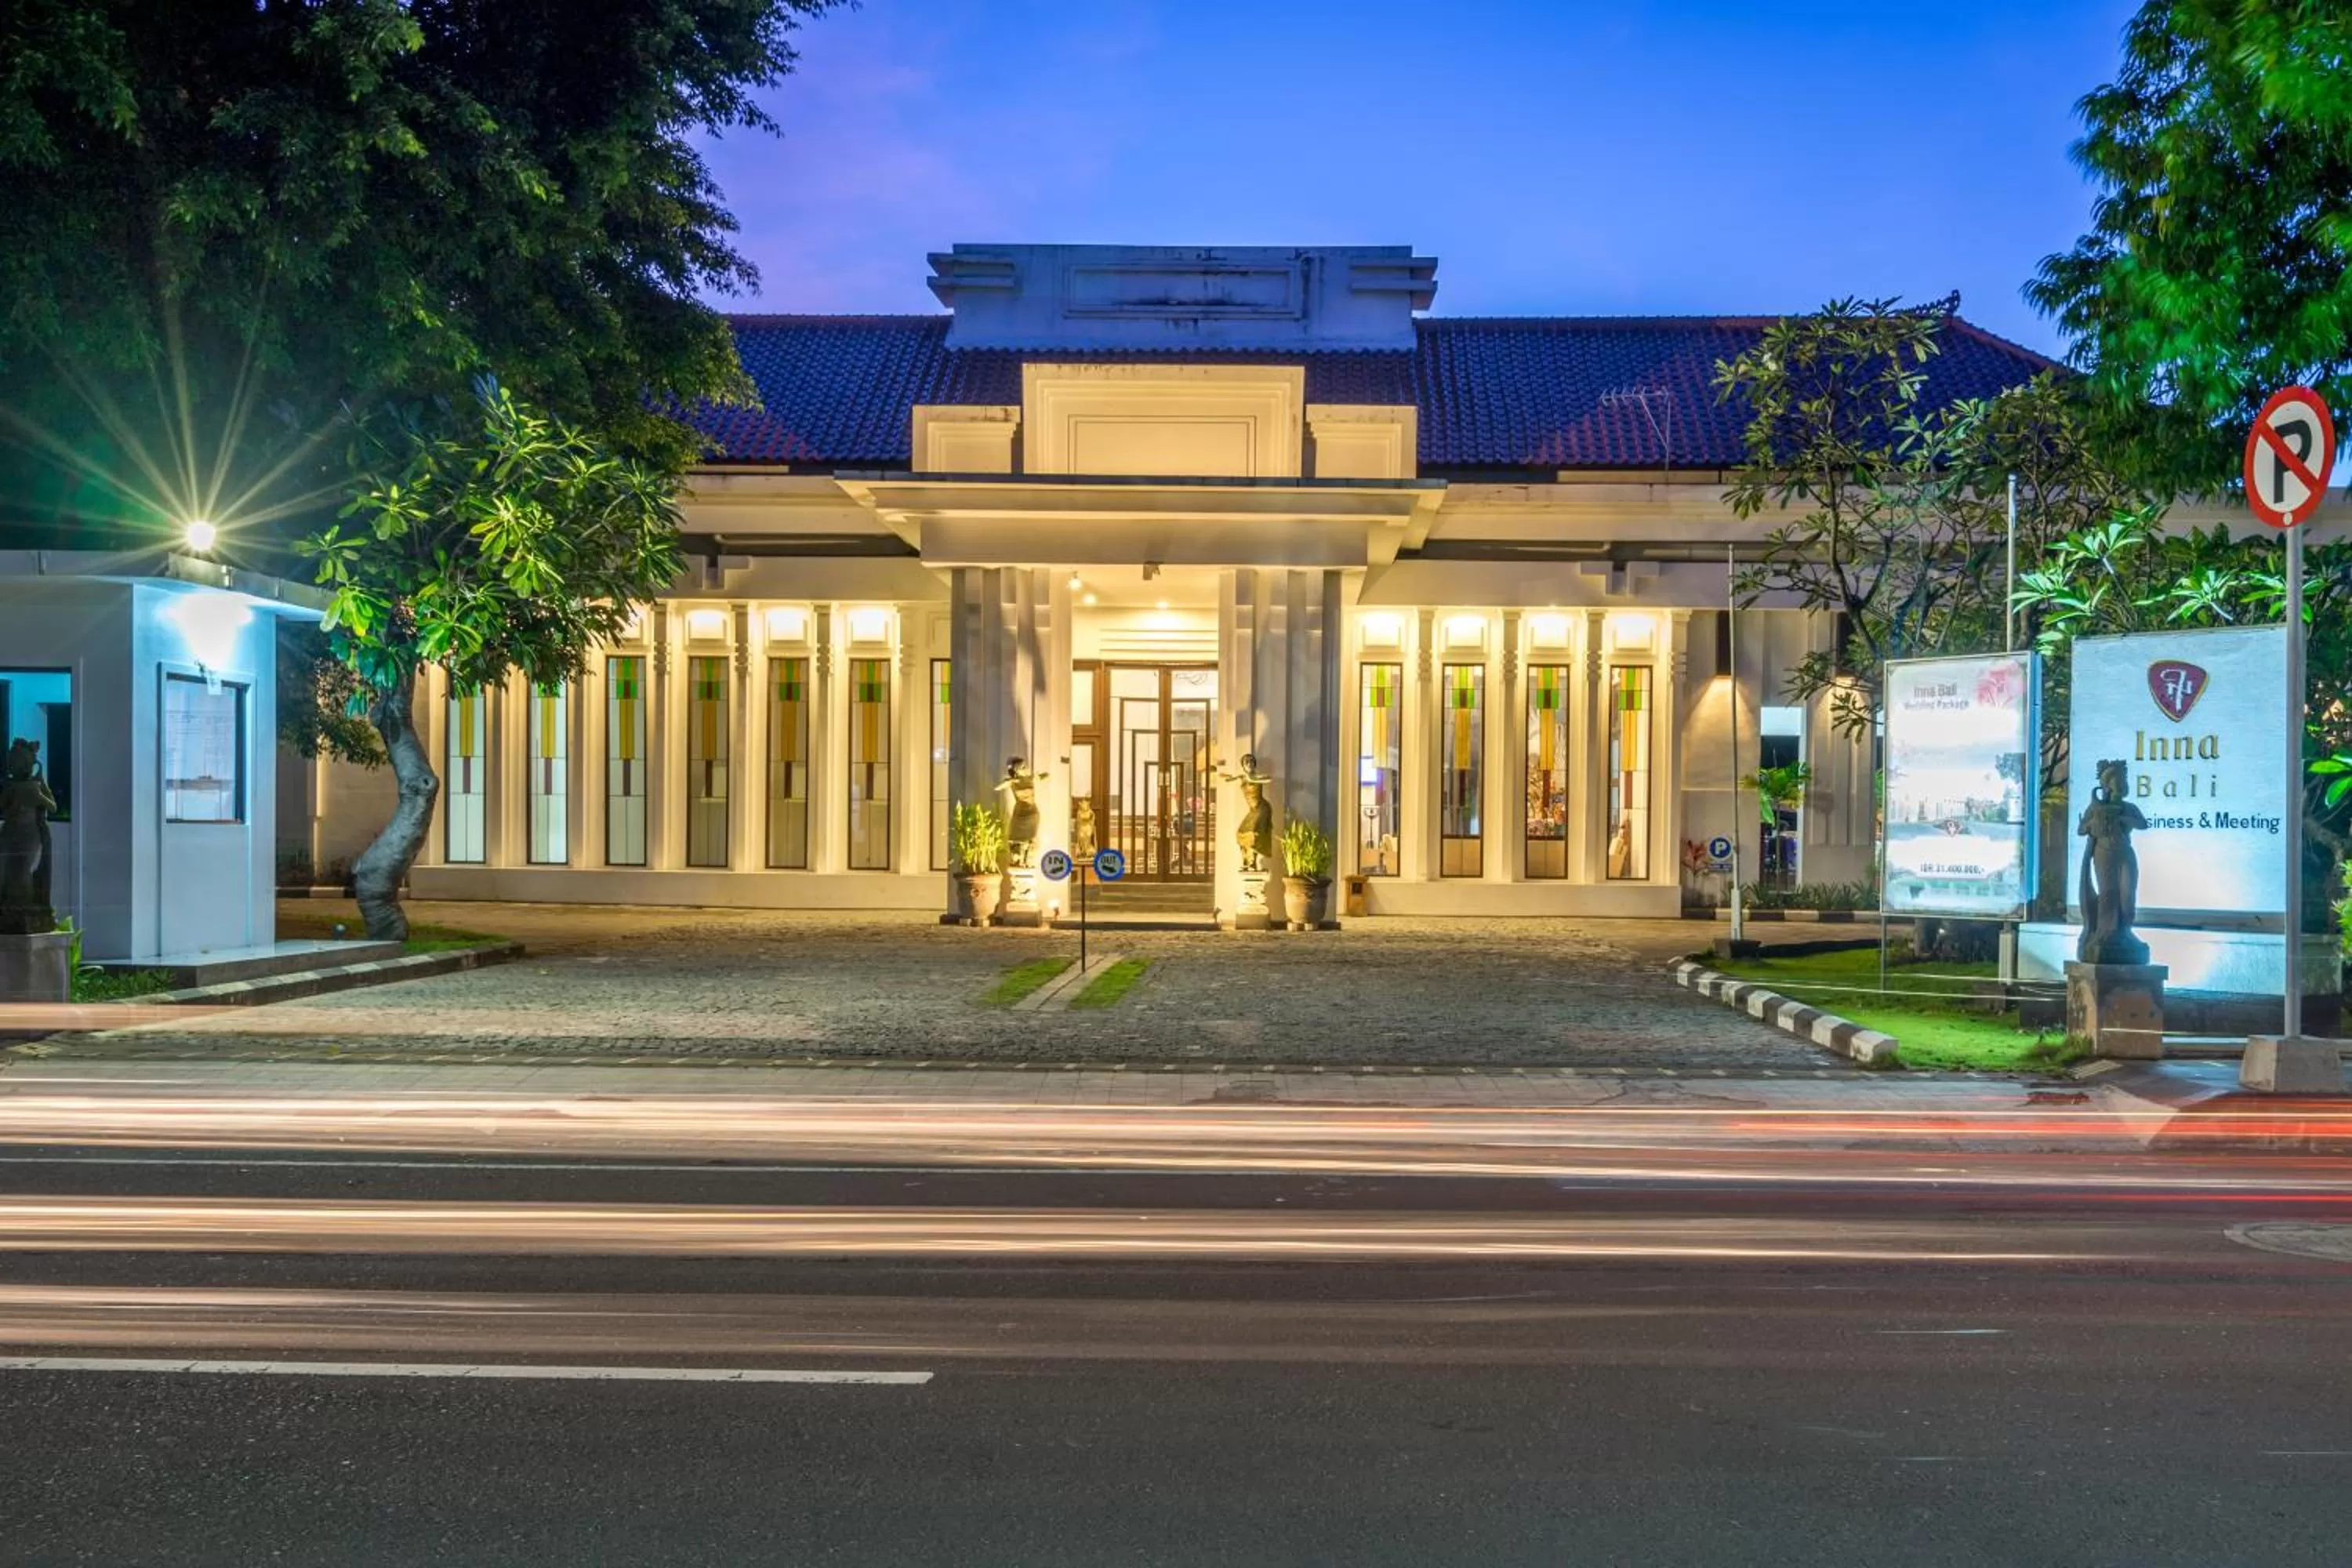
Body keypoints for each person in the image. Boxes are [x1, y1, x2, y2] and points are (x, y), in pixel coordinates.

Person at [0, 738, 58, 935]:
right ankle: (10, 905)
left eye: (15, 763)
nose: (12, 767)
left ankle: (25, 905)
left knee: (23, 868)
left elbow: (52, 806)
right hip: (10, 833)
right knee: (6, 868)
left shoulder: (36, 784)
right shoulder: (10, 786)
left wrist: (38, 793)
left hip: (29, 834)